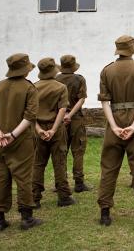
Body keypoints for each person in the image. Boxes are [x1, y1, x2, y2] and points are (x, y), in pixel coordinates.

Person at [96, 35, 134, 226]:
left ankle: (105, 214)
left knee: (108, 169)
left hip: (113, 120)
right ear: (132, 49)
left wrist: (114, 126)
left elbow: (105, 101)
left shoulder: (106, 71)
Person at [0, 53, 42, 231]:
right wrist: (13, 135)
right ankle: (27, 218)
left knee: (1, 178)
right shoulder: (29, 88)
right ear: (26, 70)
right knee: (23, 178)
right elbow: (30, 116)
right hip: (20, 141)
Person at [32, 58, 76, 209]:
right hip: (56, 129)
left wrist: (39, 130)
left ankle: (34, 197)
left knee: (38, 163)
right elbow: (62, 110)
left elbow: (29, 113)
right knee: (60, 162)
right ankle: (63, 196)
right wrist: (53, 129)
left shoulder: (33, 87)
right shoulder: (61, 87)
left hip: (37, 129)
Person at [55, 54, 90, 193]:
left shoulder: (55, 79)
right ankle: (79, 183)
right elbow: (81, 99)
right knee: (78, 151)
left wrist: (63, 115)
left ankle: (60, 183)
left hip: (58, 119)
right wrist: (70, 115)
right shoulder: (79, 79)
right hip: (75, 119)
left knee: (61, 152)